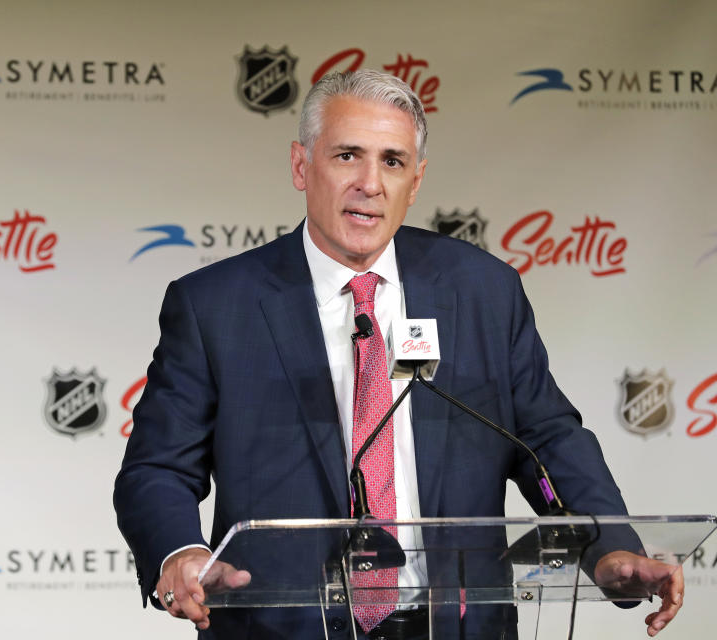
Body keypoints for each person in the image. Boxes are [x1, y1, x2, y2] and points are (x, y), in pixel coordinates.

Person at [114, 70, 683, 639]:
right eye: (346, 156)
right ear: (300, 165)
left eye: (392, 161)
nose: (370, 183)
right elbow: (157, 466)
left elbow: (549, 438)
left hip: (459, 626)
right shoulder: (216, 305)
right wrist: (179, 554)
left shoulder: (482, 291)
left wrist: (611, 547)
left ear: (416, 181)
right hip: (282, 626)